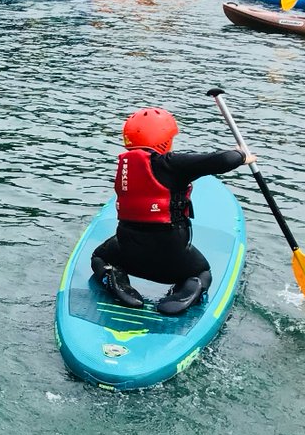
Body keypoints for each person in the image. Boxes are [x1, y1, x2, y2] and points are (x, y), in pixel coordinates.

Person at [90, 107, 255, 314]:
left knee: (99, 256)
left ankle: (114, 276)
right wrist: (241, 154)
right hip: (171, 255)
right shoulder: (171, 164)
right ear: (165, 139)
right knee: (203, 272)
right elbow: (222, 160)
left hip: (127, 249)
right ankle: (186, 291)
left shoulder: (125, 164)